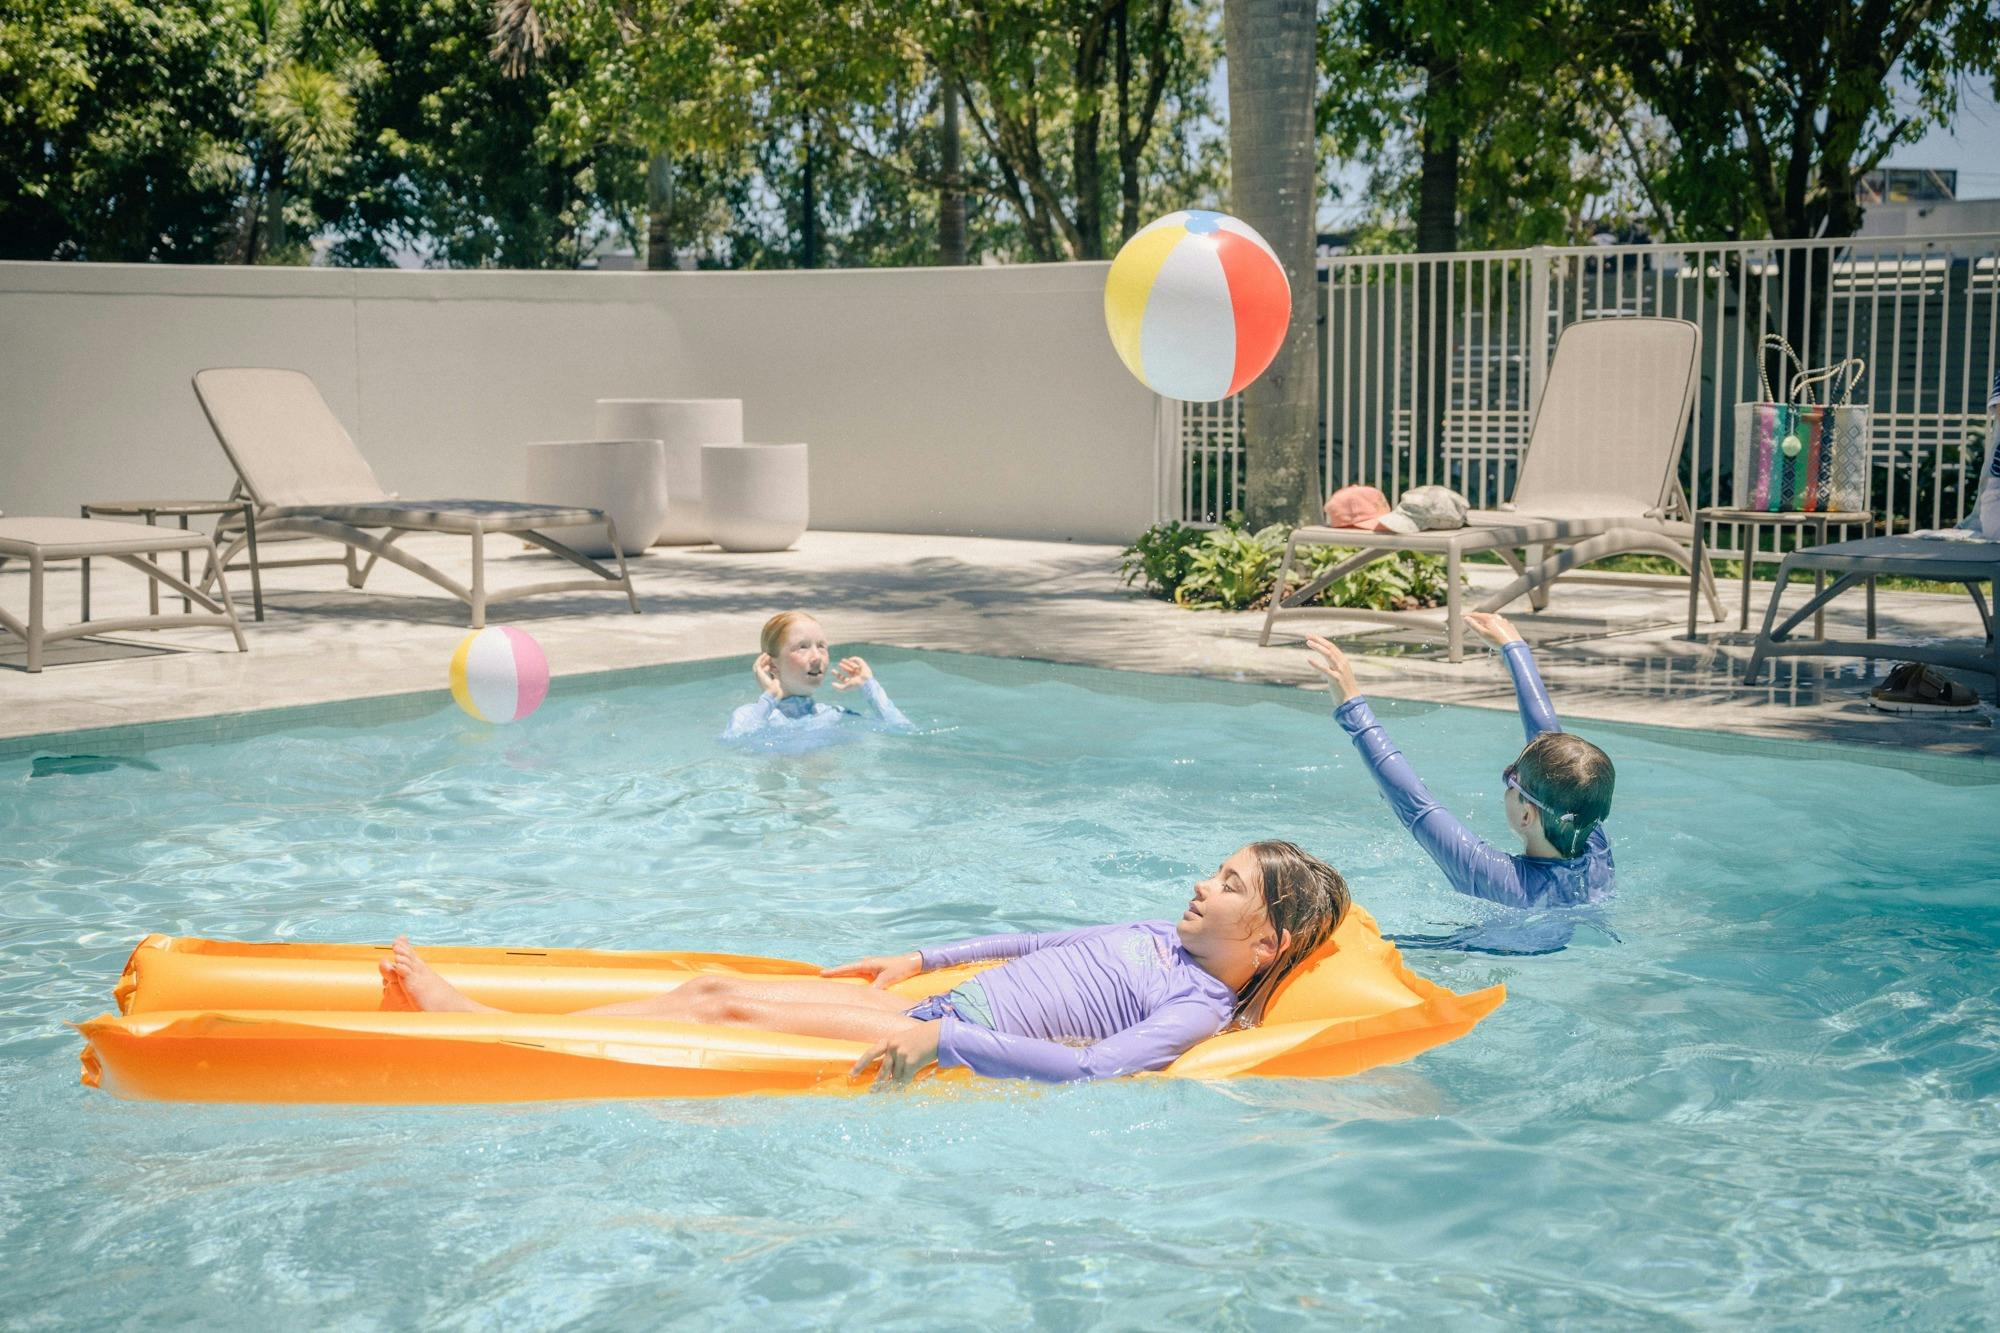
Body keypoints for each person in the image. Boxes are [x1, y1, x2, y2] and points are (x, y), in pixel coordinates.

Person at [378, 841, 1348, 1086]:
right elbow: (1041, 941)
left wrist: (941, 1041)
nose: (1199, 886)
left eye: (1225, 884)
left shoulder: (1195, 1007)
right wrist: (920, 953)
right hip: (941, 995)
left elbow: (1096, 1069)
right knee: (707, 986)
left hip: (948, 1031)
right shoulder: (1155, 932)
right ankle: (496, 1015)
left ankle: (477, 1025)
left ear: (1262, 944)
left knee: (721, 1010)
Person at [1306, 613, 1614, 910]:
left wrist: (1351, 706)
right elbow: (1554, 746)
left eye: (1511, 779)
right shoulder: (1595, 844)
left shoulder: (1498, 879)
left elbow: (1415, 804)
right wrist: (1514, 649)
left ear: (1526, 816)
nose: (1506, 779)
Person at [722, 611, 912, 739]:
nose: (816, 657)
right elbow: (737, 742)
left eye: (821, 646)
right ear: (771, 664)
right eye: (802, 647)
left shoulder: (833, 715)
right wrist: (770, 696)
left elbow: (903, 730)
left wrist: (869, 687)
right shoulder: (751, 715)